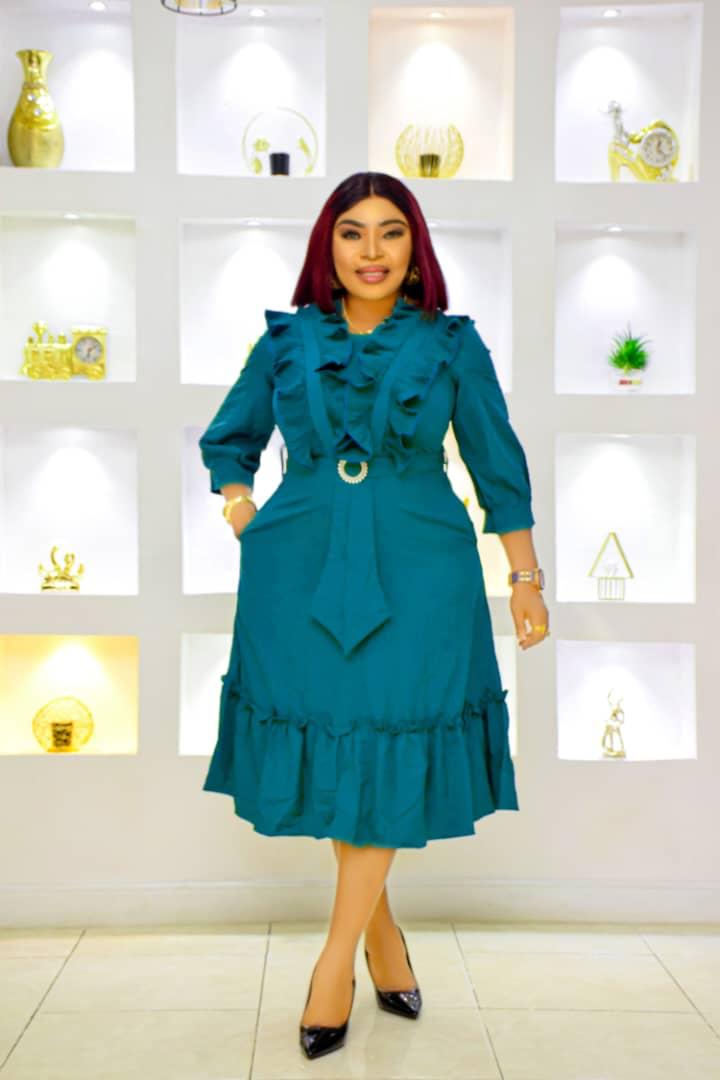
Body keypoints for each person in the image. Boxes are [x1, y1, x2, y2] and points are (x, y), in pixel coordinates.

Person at [198, 170, 550, 1060]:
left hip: (422, 571)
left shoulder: (453, 344)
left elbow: (498, 465)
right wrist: (242, 509)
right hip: (297, 569)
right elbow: (229, 438)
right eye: (351, 232)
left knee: (388, 736)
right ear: (328, 246)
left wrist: (524, 577)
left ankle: (334, 964)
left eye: (390, 232)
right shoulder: (285, 341)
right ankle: (382, 940)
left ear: (414, 246)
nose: (371, 251)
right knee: (345, 741)